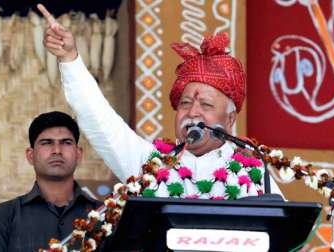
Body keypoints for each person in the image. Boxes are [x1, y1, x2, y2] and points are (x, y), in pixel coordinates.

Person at [38, 4, 283, 197]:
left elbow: (286, 236)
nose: (193, 112)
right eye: (185, 103)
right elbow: (100, 120)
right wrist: (70, 59)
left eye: (206, 105)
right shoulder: (150, 165)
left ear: (230, 119)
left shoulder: (254, 173)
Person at [0, 111, 103, 252]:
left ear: (78, 154)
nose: (57, 150)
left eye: (66, 142)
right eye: (47, 143)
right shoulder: (4, 216)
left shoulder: (106, 215)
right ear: (30, 156)